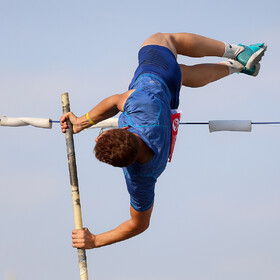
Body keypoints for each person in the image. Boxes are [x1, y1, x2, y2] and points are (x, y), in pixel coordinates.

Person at [60, 32, 267, 250]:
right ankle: (240, 52)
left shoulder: (141, 179)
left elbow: (138, 224)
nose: (99, 134)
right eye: (102, 134)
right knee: (162, 40)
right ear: (126, 129)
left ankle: (239, 67)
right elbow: (115, 101)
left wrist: (96, 241)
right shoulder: (140, 106)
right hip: (154, 83)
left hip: (168, 98)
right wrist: (83, 122)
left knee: (180, 72)